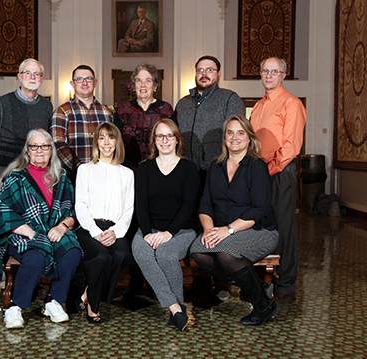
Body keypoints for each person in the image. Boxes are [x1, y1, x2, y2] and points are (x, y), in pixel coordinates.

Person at [189, 115, 279, 326]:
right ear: (225, 138)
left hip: (259, 230)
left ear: (249, 138)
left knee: (226, 254)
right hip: (221, 230)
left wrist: (227, 231)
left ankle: (262, 306)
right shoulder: (216, 167)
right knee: (198, 250)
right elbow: (205, 205)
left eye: (241, 133)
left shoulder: (257, 166)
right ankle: (257, 286)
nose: (235, 137)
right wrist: (210, 231)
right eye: (230, 132)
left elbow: (258, 210)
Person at [0, 129, 82, 329]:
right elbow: (4, 211)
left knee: (72, 252)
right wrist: (32, 233)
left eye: (45, 146)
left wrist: (62, 227)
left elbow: (73, 212)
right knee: (36, 257)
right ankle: (15, 306)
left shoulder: (62, 177)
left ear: (51, 150)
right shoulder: (15, 178)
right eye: (35, 146)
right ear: (28, 151)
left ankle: (54, 301)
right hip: (24, 234)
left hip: (54, 232)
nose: (40, 150)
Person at [132, 119, 200, 331]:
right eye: (160, 136)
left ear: (177, 139)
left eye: (169, 135)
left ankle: (176, 310)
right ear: (154, 140)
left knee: (165, 255)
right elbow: (140, 205)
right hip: (148, 229)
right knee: (142, 253)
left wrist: (169, 233)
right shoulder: (145, 169)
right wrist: (146, 233)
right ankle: (176, 309)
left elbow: (189, 206)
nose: (165, 140)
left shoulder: (189, 168)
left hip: (181, 230)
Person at [250, 57, 306, 306]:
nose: (269, 75)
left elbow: (290, 146)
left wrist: (269, 170)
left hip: (279, 173)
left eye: (275, 71)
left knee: (283, 228)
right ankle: (261, 280)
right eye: (265, 71)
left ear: (284, 75)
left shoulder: (291, 103)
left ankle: (286, 285)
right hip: (258, 173)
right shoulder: (259, 106)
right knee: (259, 225)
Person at [74, 122, 134, 324]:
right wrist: (94, 231)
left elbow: (128, 210)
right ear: (96, 142)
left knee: (122, 254)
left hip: (116, 228)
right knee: (101, 257)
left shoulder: (127, 174)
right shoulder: (85, 169)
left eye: (111, 137)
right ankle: (94, 306)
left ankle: (89, 292)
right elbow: (80, 205)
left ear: (117, 142)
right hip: (90, 227)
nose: (106, 142)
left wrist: (115, 232)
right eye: (101, 137)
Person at [174, 55, 245, 179]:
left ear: (219, 74)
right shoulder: (182, 103)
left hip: (219, 171)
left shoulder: (230, 99)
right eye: (200, 70)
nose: (204, 74)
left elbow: (237, 138)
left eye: (210, 70)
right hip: (186, 171)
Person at [0, 59, 53, 178]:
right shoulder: (2, 103)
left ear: (42, 79)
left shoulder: (46, 106)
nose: (32, 77)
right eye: (27, 73)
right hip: (8, 171)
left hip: (38, 173)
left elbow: (47, 140)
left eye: (37, 74)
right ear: (19, 77)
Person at [51, 64, 113, 181]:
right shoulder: (62, 112)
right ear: (72, 84)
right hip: (73, 177)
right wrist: (81, 169)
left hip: (104, 175)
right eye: (79, 79)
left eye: (88, 79)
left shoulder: (106, 112)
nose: (84, 83)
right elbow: (58, 145)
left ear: (95, 82)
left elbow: (113, 143)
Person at [114, 63, 173, 170]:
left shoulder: (165, 110)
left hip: (160, 168)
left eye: (148, 81)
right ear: (134, 85)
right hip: (128, 169)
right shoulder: (123, 110)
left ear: (155, 86)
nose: (143, 85)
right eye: (138, 80)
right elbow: (116, 142)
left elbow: (173, 141)